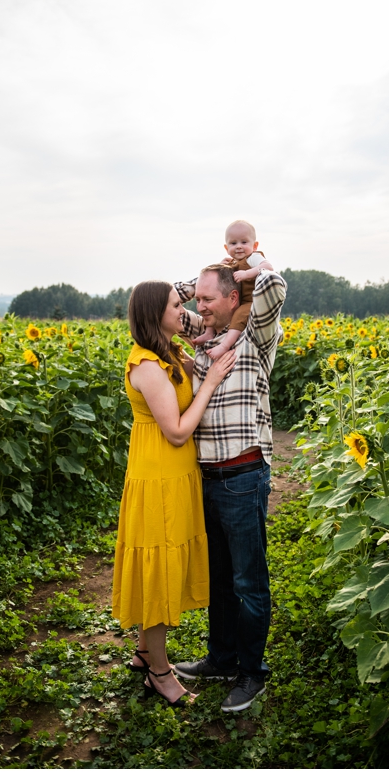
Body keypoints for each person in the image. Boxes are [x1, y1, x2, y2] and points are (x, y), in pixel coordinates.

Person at [170, 261, 289, 713]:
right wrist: (195, 288)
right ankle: (221, 659)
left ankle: (252, 673)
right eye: (195, 299)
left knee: (248, 582)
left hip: (242, 477)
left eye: (206, 298)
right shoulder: (204, 338)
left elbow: (274, 284)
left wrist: (243, 266)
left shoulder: (256, 336)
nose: (197, 306)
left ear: (234, 297)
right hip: (207, 478)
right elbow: (162, 305)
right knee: (219, 578)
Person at [114, 281, 235, 706]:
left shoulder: (168, 351)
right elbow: (179, 431)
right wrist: (211, 381)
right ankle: (160, 675)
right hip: (160, 473)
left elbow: (210, 310)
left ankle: (146, 652)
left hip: (171, 473)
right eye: (174, 305)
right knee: (160, 569)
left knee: (162, 561)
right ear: (153, 315)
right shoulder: (148, 365)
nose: (183, 308)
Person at [189, 219, 273, 360]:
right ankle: (209, 333)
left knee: (239, 316)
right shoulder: (233, 262)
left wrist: (247, 274)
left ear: (255, 245)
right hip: (238, 299)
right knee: (211, 313)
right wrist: (221, 267)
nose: (239, 247)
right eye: (233, 243)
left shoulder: (253, 258)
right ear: (226, 248)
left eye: (244, 242)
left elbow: (268, 267)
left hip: (250, 301)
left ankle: (224, 346)